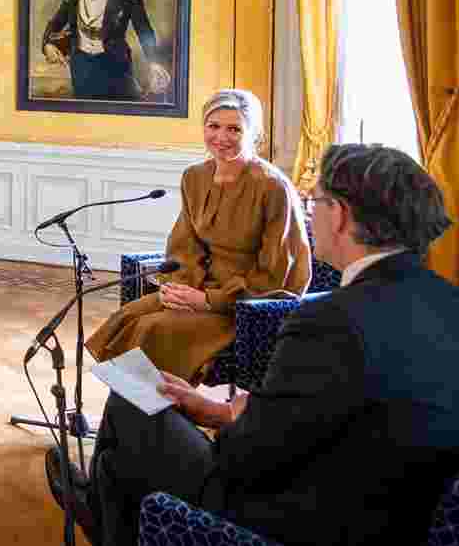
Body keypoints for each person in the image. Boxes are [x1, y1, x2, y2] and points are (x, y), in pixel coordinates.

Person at [48, 143, 459, 546]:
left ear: (341, 216)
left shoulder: (329, 322)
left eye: (314, 201)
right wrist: (221, 411)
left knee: (133, 403)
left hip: (311, 523)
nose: (309, 212)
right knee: (130, 446)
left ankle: (102, 513)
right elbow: (368, 412)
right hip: (404, 513)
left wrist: (234, 420)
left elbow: (243, 462)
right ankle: (105, 511)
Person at [86, 90, 310, 380]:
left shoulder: (273, 187)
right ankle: (139, 404)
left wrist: (209, 301)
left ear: (254, 134)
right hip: (197, 288)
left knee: (152, 329)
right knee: (126, 317)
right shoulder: (194, 176)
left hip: (244, 306)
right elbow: (184, 247)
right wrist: (181, 290)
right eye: (213, 126)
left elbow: (279, 274)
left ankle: (162, 405)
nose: (221, 137)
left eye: (234, 129)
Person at [41, 0, 170, 101]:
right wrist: (47, 44)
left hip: (116, 68)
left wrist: (154, 61)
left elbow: (143, 30)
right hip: (82, 70)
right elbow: (55, 24)